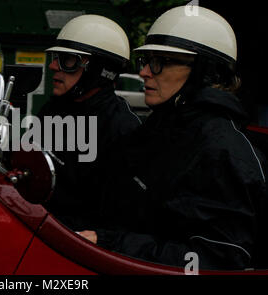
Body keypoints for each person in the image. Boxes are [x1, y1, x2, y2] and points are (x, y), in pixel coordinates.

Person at [78, 6, 268, 270]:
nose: (145, 72)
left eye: (160, 62)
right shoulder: (159, 127)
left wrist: (111, 242)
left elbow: (215, 261)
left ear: (205, 71)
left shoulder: (223, 152)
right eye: (146, 61)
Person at [38, 15, 141, 232]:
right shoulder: (53, 110)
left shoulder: (122, 129)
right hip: (38, 225)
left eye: (68, 60)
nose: (53, 66)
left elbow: (120, 217)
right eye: (57, 57)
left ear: (98, 70)